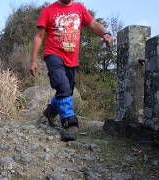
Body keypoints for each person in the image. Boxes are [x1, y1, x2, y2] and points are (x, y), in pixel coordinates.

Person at [30, 0, 113, 141]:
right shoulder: (48, 11)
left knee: (67, 91)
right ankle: (70, 122)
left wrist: (105, 34)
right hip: (53, 54)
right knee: (62, 86)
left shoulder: (79, 8)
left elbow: (93, 24)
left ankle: (50, 112)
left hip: (72, 59)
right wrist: (33, 60)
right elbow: (39, 36)